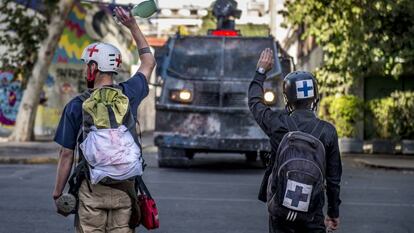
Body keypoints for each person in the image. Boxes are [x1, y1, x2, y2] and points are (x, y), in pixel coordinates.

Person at [52, 7, 156, 233]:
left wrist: (58, 192)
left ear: (93, 67)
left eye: (85, 64)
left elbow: (66, 154)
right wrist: (132, 26)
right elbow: (148, 62)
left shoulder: (76, 105)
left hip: (92, 191)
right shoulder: (130, 93)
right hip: (126, 190)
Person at [248, 48, 342, 233]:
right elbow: (333, 180)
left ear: (287, 98)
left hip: (280, 210)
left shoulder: (278, 124)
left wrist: (260, 71)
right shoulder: (328, 131)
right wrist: (333, 213)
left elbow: (255, 103)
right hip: (313, 212)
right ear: (315, 97)